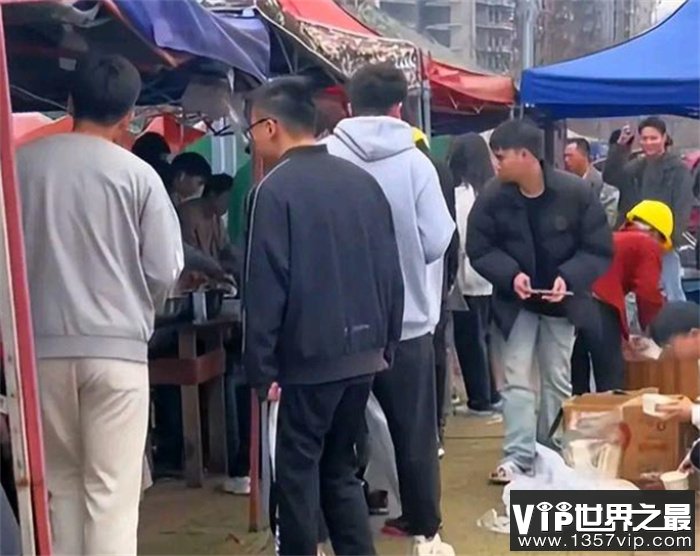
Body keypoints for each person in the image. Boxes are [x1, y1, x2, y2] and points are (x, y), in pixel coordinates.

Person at [17, 54, 183, 555]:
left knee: (59, 491)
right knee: (110, 495)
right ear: (131, 114)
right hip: (117, 354)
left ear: (68, 104)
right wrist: (138, 311)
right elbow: (165, 269)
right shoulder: (138, 176)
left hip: (39, 353)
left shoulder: (19, 168)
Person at [243, 76, 404, 556]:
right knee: (341, 472)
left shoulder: (273, 192)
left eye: (251, 128)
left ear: (271, 126)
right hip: (363, 355)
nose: (251, 139)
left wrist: (261, 368)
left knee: (296, 475)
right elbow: (389, 272)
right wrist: (386, 344)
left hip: (308, 359)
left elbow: (264, 287)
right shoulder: (362, 184)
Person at [324, 63, 455, 550]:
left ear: (348, 104)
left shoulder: (327, 155)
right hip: (409, 322)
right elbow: (438, 238)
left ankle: (355, 516)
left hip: (342, 323)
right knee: (413, 429)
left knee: (343, 429)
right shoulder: (416, 162)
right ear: (400, 106)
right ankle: (423, 521)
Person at [467, 119, 613, 484]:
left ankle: (551, 450)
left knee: (557, 378)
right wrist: (509, 274)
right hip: (514, 302)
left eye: (500, 157)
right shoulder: (492, 196)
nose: (495, 164)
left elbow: (598, 249)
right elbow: (479, 248)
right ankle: (517, 455)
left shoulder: (575, 193)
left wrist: (570, 278)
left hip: (563, 302)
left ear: (525, 155)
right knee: (515, 379)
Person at [571, 200, 670, 394]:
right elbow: (648, 293)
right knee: (611, 378)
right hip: (599, 303)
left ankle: (575, 418)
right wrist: (657, 333)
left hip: (573, 299)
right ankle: (611, 420)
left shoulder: (614, 239)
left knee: (577, 373)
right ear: (657, 233)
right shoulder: (647, 244)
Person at [603, 117, 694, 301]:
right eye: (644, 138)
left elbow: (683, 207)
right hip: (633, 239)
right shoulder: (638, 165)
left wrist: (668, 240)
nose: (648, 143)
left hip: (663, 245)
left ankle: (679, 329)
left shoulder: (678, 169)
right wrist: (620, 147)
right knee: (636, 296)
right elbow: (612, 176)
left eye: (654, 138)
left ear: (664, 138)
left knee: (671, 295)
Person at [448, 133, 502, 417]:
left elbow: (460, 236)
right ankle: (491, 392)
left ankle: (479, 397)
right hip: (490, 274)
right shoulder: (491, 190)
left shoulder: (461, 194)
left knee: (469, 338)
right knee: (485, 335)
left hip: (467, 272)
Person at [414, 127, 459, 456]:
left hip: (404, 294)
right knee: (436, 356)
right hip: (435, 282)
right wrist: (450, 275)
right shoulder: (437, 171)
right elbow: (449, 234)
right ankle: (436, 431)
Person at [178, 172, 241, 282]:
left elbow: (225, 247)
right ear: (212, 195)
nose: (228, 204)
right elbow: (189, 256)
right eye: (226, 199)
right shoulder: (189, 214)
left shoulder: (216, 218)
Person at [564, 138, 619, 228]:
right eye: (565, 156)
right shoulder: (565, 184)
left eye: (570, 156)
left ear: (584, 156)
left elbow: (608, 222)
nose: (566, 160)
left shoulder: (604, 185)